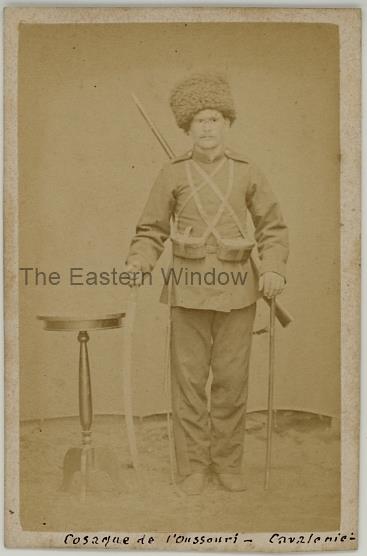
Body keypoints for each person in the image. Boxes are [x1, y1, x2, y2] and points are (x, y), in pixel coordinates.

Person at [125, 73, 289, 495]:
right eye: (199, 120)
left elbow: (272, 227)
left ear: (227, 123)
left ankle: (228, 464)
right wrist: (138, 262)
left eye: (214, 118)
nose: (207, 128)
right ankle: (194, 466)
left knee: (232, 384)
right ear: (187, 128)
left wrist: (272, 268)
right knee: (189, 384)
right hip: (188, 291)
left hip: (238, 292)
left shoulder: (248, 171)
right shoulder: (172, 174)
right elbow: (151, 229)